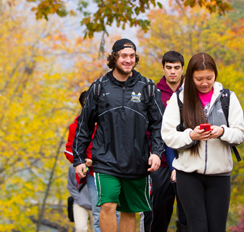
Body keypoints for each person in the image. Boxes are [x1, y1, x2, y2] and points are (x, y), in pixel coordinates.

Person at [73, 38, 165, 232]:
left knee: (129, 210)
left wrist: (156, 152)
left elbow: (159, 124)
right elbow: (84, 125)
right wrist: (79, 158)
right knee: (107, 205)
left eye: (132, 56)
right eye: (124, 56)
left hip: (137, 161)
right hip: (105, 160)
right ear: (114, 58)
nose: (128, 60)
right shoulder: (98, 87)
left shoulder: (147, 87)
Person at [161, 52, 244, 232]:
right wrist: (191, 135)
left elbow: (240, 134)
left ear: (215, 75)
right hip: (188, 174)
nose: (205, 83)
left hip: (220, 175)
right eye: (199, 79)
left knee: (217, 228)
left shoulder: (228, 98)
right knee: (197, 227)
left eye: (209, 78)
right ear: (190, 76)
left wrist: (222, 131)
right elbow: (168, 135)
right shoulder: (179, 99)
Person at [142, 51, 188, 232]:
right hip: (159, 163)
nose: (173, 72)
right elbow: (147, 128)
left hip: (187, 161)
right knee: (157, 213)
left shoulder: (191, 91)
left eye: (177, 68)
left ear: (182, 69)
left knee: (187, 215)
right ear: (163, 68)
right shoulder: (153, 93)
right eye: (168, 68)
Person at [65, 91, 117, 232]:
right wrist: (81, 161)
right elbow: (70, 150)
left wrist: (98, 160)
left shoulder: (109, 124)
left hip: (112, 173)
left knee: (115, 211)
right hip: (92, 175)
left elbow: (117, 147)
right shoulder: (75, 127)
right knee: (97, 212)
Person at [67, 165, 95, 232]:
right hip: (80, 203)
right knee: (80, 228)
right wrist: (79, 199)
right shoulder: (73, 167)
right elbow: (70, 186)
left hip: (96, 204)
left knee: (96, 229)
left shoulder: (99, 165)